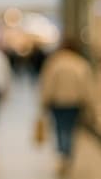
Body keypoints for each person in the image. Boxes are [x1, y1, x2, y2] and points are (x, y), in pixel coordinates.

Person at [39, 38, 95, 170]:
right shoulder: (81, 64)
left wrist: (44, 100)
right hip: (74, 102)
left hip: (57, 102)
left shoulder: (54, 63)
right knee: (70, 128)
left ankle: (63, 152)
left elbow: (48, 84)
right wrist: (89, 103)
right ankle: (67, 152)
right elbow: (86, 86)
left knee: (59, 127)